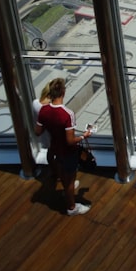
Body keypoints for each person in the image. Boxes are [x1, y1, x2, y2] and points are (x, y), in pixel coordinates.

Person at [35, 77, 92, 216]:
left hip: (55, 148)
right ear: (63, 93)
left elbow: (38, 131)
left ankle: (68, 193)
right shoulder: (68, 114)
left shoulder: (44, 110)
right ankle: (71, 207)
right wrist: (84, 136)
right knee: (70, 180)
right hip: (67, 152)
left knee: (64, 175)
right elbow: (70, 141)